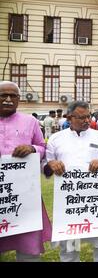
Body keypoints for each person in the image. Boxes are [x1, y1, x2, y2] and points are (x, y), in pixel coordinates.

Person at [45, 101, 98, 262]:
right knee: (69, 248)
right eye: (81, 117)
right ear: (69, 117)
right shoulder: (56, 139)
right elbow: (46, 166)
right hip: (70, 204)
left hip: (96, 202)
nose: (87, 121)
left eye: (88, 117)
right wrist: (51, 164)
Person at [0, 81, 52, 261]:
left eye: (13, 96)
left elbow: (43, 147)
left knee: (28, 246)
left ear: (18, 99)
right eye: (3, 95)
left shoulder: (30, 121)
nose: (8, 99)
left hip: (24, 195)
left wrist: (32, 149)